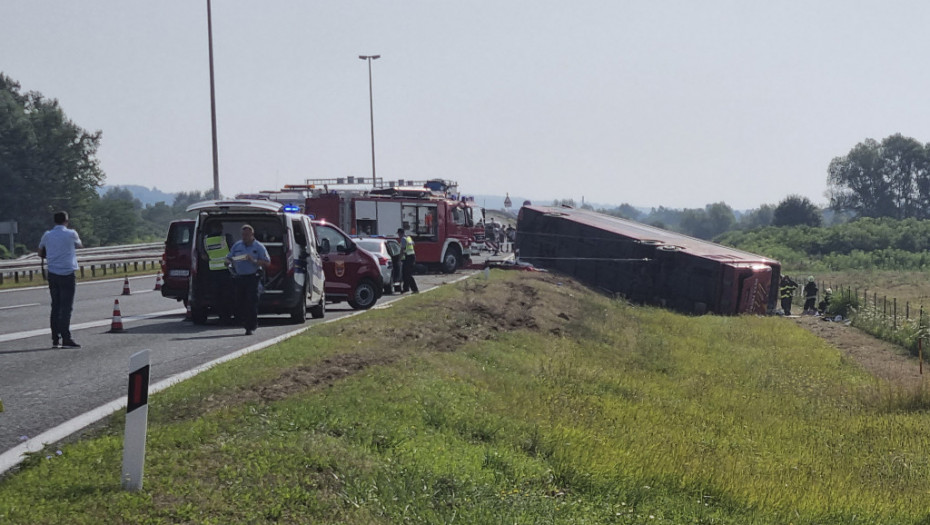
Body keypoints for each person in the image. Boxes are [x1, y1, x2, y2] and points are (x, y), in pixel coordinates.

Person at [38, 211, 83, 349]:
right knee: (66, 307)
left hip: (53, 273)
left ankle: (55, 338)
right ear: (66, 221)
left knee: (55, 306)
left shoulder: (47, 235)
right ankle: (66, 338)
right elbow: (79, 245)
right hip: (68, 273)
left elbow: (40, 252)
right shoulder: (71, 233)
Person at [226, 224, 270, 335]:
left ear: (252, 234)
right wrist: (228, 261)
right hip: (239, 277)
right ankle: (243, 321)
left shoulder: (258, 247)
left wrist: (253, 261)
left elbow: (267, 262)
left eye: (246, 235)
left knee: (251, 302)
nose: (244, 237)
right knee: (240, 301)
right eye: (243, 234)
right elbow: (229, 257)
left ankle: (250, 326)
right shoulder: (237, 246)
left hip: (252, 277)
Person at [204, 223, 233, 322]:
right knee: (228, 294)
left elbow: (204, 256)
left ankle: (221, 315)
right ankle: (227, 315)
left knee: (217, 296)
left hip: (213, 271)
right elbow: (233, 251)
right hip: (226, 270)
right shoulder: (225, 238)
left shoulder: (205, 240)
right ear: (221, 228)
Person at [398, 228, 419, 294]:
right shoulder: (408, 238)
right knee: (405, 274)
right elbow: (413, 244)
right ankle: (405, 288)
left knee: (408, 274)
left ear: (400, 233)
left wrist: (399, 259)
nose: (398, 235)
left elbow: (402, 249)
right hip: (411, 257)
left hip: (409, 258)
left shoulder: (403, 239)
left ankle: (415, 289)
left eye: (398, 234)